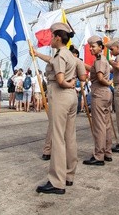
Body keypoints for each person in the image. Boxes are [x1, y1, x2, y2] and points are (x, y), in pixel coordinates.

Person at [34, 22, 86, 194]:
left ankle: (57, 181)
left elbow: (62, 80)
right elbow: (52, 61)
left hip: (60, 95)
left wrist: (69, 83)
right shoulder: (70, 55)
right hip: (71, 99)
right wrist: (36, 54)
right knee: (70, 137)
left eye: (51, 36)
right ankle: (69, 175)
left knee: (57, 137)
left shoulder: (60, 56)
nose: (50, 39)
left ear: (57, 37)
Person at [83, 35, 113, 165]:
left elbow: (100, 78)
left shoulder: (99, 60)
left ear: (100, 47)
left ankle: (98, 156)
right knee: (106, 124)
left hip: (99, 93)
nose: (90, 49)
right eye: (90, 46)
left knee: (99, 126)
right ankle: (107, 152)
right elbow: (95, 70)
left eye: (93, 46)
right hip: (105, 94)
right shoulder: (101, 60)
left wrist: (108, 83)